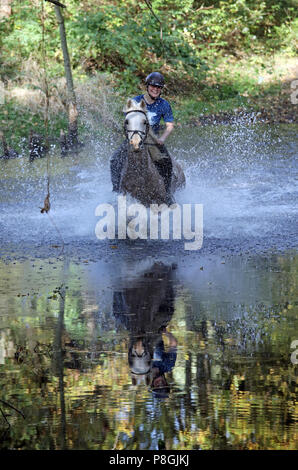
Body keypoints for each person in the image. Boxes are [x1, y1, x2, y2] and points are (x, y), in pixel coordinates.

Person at [110, 72, 175, 201]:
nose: (155, 89)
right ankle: (116, 191)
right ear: (147, 86)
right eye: (153, 86)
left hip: (152, 140)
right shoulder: (135, 101)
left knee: (167, 162)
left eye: (158, 87)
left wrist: (162, 138)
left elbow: (170, 126)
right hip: (133, 136)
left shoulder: (164, 104)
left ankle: (167, 195)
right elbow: (128, 122)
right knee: (115, 160)